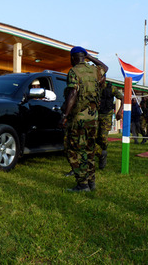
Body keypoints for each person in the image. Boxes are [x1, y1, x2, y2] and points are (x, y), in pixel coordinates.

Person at [59, 46, 108, 192]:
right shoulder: (95, 70)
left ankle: (82, 184)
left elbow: (73, 93)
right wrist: (90, 57)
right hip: (93, 117)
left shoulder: (74, 71)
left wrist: (65, 115)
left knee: (74, 150)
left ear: (73, 57)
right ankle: (91, 182)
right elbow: (105, 67)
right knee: (90, 149)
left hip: (79, 117)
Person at [95, 76, 123, 169]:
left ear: (104, 78)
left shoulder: (111, 88)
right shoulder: (95, 87)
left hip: (106, 115)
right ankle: (100, 154)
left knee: (103, 137)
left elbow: (122, 98)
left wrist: (119, 111)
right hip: (95, 114)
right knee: (93, 137)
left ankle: (103, 153)